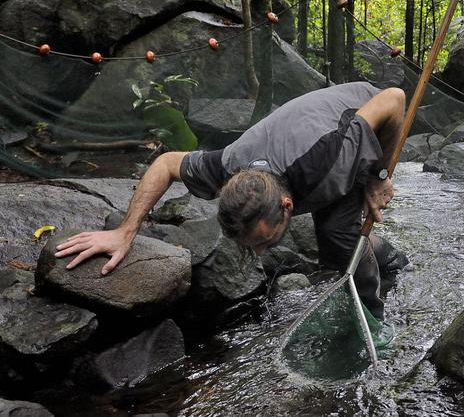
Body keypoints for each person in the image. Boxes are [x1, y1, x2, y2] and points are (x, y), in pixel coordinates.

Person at [56, 82, 405, 320]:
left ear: (287, 207)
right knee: (335, 236)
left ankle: (375, 316)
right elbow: (164, 164)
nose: (260, 253)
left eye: (266, 242)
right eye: (254, 245)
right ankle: (384, 259)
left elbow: (394, 98)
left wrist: (379, 177)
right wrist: (125, 231)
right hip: (314, 149)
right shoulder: (225, 165)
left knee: (338, 239)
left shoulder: (330, 155)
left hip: (365, 122)